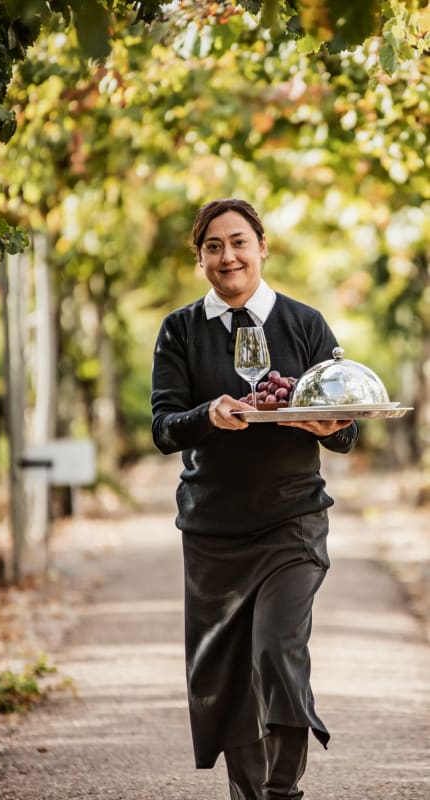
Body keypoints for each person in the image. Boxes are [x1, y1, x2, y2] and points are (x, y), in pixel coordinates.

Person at [151, 198, 359, 800]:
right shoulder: (180, 330)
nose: (228, 255)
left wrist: (324, 427)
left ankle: (281, 789)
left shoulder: (305, 323)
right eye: (213, 246)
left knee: (275, 651)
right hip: (213, 530)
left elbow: (344, 426)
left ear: (262, 247)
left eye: (238, 241)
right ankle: (248, 791)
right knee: (228, 676)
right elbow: (165, 427)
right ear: (200, 260)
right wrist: (209, 415)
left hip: (292, 520)